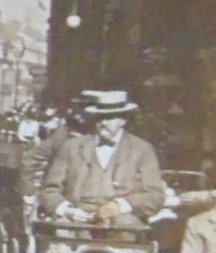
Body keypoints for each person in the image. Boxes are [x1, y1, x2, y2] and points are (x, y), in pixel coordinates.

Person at [38, 91, 166, 229]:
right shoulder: (71, 147)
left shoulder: (142, 150)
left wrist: (119, 206)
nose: (104, 123)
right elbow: (49, 190)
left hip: (121, 225)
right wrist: (67, 210)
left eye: (110, 118)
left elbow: (155, 195)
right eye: (100, 117)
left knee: (126, 225)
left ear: (123, 120)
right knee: (61, 230)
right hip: (76, 220)